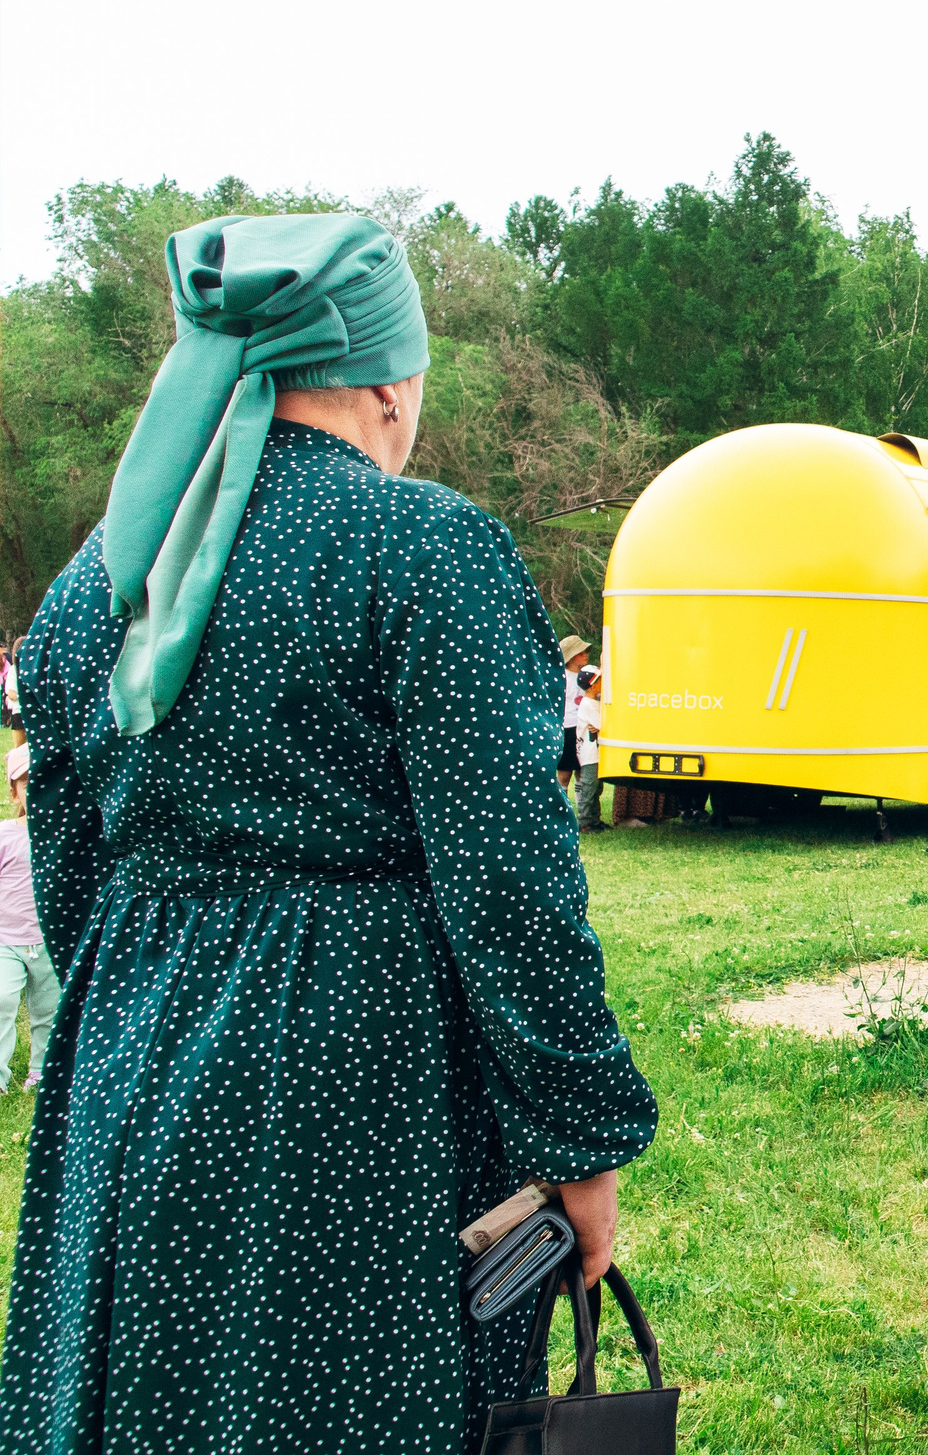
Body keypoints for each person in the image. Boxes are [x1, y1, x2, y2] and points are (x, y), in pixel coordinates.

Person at [1, 214, 656, 1450]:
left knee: (153, 1390)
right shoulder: (421, 547)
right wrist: (581, 1137)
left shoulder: (105, 575)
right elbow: (508, 882)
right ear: (387, 381)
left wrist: (150, 1005)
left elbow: (70, 860)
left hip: (128, 1062)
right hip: (354, 1077)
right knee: (342, 1396)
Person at [0, 748, 58, 1091]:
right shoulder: (5, 835)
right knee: (2, 1001)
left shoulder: (60, 836)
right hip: (6, 938)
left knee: (48, 1010)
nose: (34, 789)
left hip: (47, 938)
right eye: (25, 783)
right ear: (13, 791)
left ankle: (40, 1071)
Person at [556, 633, 591, 794]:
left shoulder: (589, 676)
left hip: (584, 726)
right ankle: (561, 806)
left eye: (585, 652)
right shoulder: (562, 678)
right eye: (581, 653)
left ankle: (580, 812)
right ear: (571, 657)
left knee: (582, 770)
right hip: (567, 727)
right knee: (564, 771)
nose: (586, 656)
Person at [574, 665, 605, 832]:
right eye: (600, 680)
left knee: (596, 787)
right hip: (589, 754)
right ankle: (584, 822)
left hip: (595, 753)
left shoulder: (594, 702)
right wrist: (602, 726)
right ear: (593, 685)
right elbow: (602, 725)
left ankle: (595, 819)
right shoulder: (588, 705)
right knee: (589, 787)